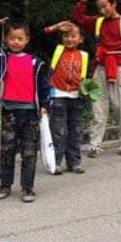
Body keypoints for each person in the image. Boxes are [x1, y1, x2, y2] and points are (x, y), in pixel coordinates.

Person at [0, 17, 51, 202]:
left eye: (20, 38)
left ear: (27, 39)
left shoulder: (35, 62)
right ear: (5, 39)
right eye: (11, 38)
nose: (15, 42)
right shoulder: (0, 59)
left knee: (29, 152)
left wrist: (44, 105)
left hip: (30, 113)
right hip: (8, 111)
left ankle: (27, 187)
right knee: (6, 150)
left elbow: (44, 86)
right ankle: (5, 185)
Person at [70, 0, 121, 157]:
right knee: (98, 107)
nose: (102, 11)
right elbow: (77, 17)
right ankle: (95, 145)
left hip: (120, 68)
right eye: (99, 8)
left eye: (105, 6)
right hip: (100, 68)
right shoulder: (98, 22)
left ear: (113, 4)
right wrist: (84, 0)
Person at [37, 21, 89, 174]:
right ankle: (56, 162)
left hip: (76, 96)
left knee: (75, 131)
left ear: (81, 39)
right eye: (66, 36)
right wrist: (55, 27)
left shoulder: (84, 55)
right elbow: (40, 38)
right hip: (58, 95)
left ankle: (74, 162)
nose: (69, 39)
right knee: (58, 131)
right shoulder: (57, 50)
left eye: (73, 36)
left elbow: (86, 77)